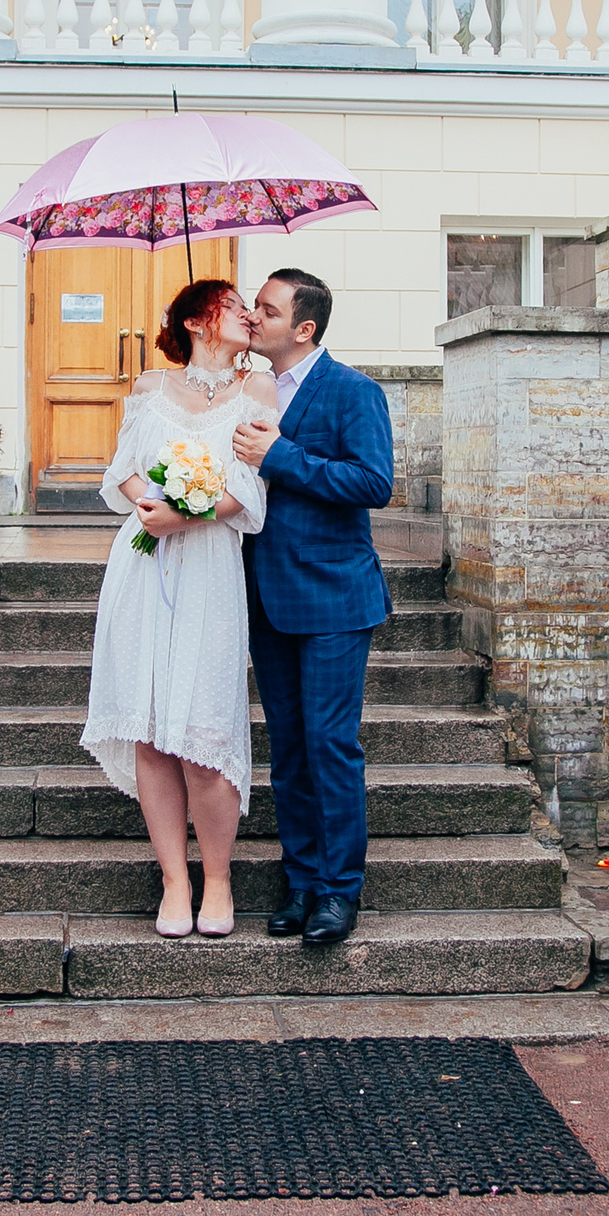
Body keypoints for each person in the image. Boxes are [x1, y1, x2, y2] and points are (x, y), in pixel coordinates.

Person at [82, 279, 274, 938]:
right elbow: (124, 468)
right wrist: (152, 507)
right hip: (143, 562)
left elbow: (248, 485)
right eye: (234, 304)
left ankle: (217, 878)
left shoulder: (259, 390)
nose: (250, 313)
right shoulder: (149, 388)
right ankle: (174, 881)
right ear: (197, 320)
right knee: (152, 728)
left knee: (204, 731)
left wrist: (188, 511)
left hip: (211, 566)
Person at [233, 270, 393, 947]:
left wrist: (282, 455)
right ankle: (300, 881)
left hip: (332, 597)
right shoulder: (247, 391)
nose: (252, 316)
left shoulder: (354, 392)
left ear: (304, 327)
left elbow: (372, 481)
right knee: (290, 751)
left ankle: (338, 890)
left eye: (266, 310)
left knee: (330, 746)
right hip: (267, 597)